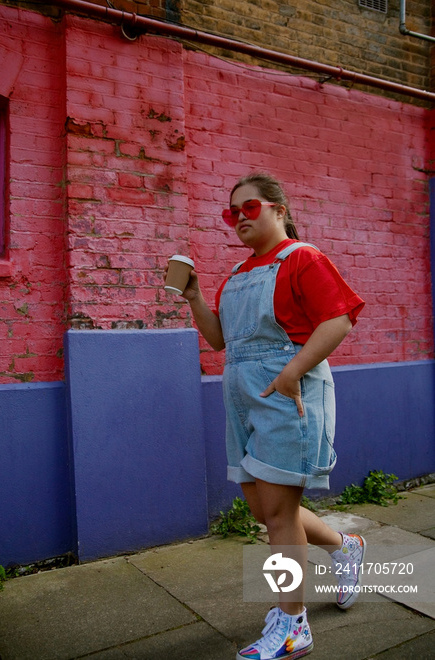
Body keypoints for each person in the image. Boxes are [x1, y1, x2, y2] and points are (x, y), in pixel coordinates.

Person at [166, 172, 366, 660]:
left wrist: (293, 372)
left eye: (249, 207)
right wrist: (193, 294)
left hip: (286, 394)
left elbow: (338, 318)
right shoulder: (236, 274)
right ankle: (346, 545)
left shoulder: (304, 259)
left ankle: (293, 624)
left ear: (278, 208)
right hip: (243, 400)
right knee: (266, 512)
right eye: (231, 213)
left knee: (277, 516)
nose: (238, 219)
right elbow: (219, 342)